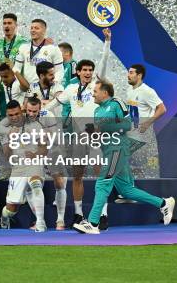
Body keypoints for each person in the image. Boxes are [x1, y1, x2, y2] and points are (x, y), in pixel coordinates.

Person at [73, 81, 175, 234]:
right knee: (126, 190)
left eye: (95, 91)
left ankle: (93, 223)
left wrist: (102, 128)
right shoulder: (97, 110)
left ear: (105, 93)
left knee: (102, 184)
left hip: (117, 150)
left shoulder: (116, 103)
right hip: (108, 151)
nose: (92, 94)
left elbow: (127, 125)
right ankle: (163, 203)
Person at [44, 29, 111, 225]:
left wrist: (107, 42)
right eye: (85, 70)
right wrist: (41, 112)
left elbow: (104, 62)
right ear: (78, 72)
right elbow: (55, 102)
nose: (89, 73)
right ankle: (79, 213)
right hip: (77, 137)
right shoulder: (71, 89)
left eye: (91, 70)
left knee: (101, 176)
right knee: (78, 176)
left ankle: (103, 214)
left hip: (96, 136)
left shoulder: (97, 86)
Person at [0, 98, 53, 232]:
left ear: (21, 111)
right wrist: (10, 141)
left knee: (36, 184)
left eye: (17, 114)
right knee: (11, 209)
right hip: (17, 168)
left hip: (34, 163)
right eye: (11, 115)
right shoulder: (4, 129)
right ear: (7, 115)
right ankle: (4, 218)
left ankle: (40, 223)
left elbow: (44, 148)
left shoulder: (35, 125)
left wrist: (36, 155)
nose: (14, 117)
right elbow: (7, 156)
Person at [28, 61, 68, 229]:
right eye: (50, 74)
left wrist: (43, 104)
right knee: (33, 182)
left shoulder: (58, 85)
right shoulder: (32, 86)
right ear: (42, 75)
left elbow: (53, 103)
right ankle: (39, 219)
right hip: (36, 139)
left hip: (56, 137)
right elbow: (31, 105)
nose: (54, 76)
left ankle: (60, 219)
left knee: (59, 182)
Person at [125, 64, 167, 179]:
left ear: (139, 75)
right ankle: (130, 191)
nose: (128, 75)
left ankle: (145, 193)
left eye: (131, 73)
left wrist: (148, 122)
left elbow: (162, 108)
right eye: (128, 72)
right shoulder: (129, 90)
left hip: (142, 136)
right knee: (129, 164)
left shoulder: (147, 91)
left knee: (142, 167)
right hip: (131, 134)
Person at [13, 19, 63, 87]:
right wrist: (19, 84)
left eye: (36, 28)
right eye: (31, 28)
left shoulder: (54, 49)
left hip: (46, 88)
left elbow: (59, 70)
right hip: (28, 89)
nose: (33, 30)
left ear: (44, 31)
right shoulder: (23, 47)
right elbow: (16, 68)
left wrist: (54, 84)